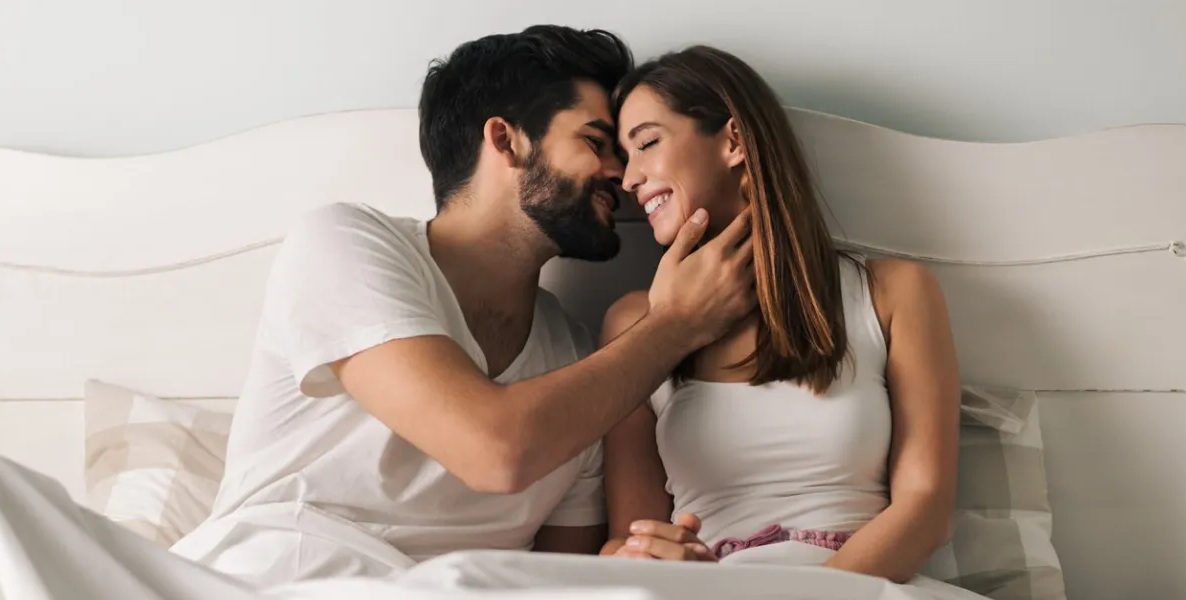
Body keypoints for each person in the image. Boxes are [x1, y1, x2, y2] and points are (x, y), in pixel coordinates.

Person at [159, 27, 755, 586]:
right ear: (505, 139)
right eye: (596, 144)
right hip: (281, 574)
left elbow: (559, 580)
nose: (622, 175)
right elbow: (494, 451)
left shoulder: (579, 364)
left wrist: (636, 562)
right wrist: (674, 325)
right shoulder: (345, 243)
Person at [597, 45, 963, 586]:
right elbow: (629, 537)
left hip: (861, 590)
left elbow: (926, 510)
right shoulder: (633, 323)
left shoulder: (891, 292)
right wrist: (636, 560)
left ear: (734, 140)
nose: (628, 179)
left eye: (647, 143)